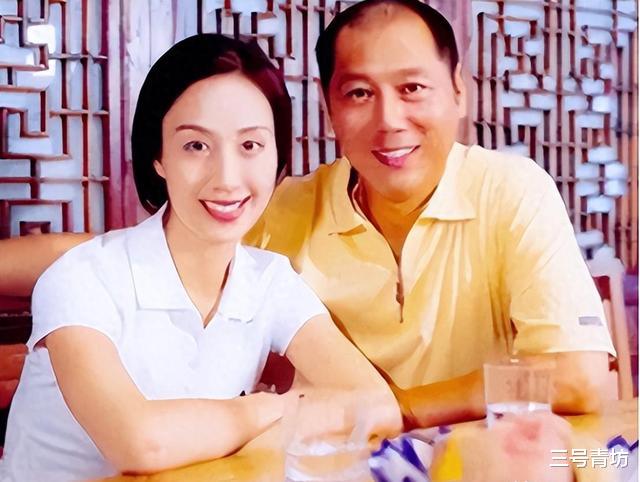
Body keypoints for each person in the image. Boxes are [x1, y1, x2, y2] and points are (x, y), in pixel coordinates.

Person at [0, 0, 615, 430]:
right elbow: (136, 250)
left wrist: (399, 409)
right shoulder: (288, 206)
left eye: (412, 88)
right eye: (359, 93)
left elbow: (580, 377)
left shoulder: (511, 191)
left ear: (459, 90)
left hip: (483, 459)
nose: (389, 121)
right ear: (328, 107)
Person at [0, 33, 401, 481]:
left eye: (250, 146)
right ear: (158, 156)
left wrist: (263, 421)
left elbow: (376, 404)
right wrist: (269, 409)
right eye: (196, 146)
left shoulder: (270, 280)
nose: (227, 179)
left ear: (277, 157)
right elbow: (140, 442)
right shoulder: (82, 277)